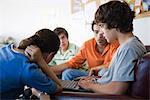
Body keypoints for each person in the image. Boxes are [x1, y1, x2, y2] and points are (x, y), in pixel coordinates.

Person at [78, 1, 147, 94]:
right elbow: (114, 78)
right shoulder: (130, 44)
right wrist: (95, 80)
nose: (101, 32)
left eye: (102, 26)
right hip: (101, 86)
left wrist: (90, 86)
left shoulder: (128, 49)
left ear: (114, 24)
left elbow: (116, 89)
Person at [0, 29, 62, 99]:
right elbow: (59, 86)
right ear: (50, 55)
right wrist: (41, 61)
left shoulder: (7, 48)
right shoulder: (28, 70)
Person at [51, 21, 119, 80]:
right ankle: (69, 93)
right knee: (67, 73)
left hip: (107, 75)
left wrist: (97, 68)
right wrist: (48, 70)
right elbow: (72, 63)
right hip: (90, 74)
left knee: (103, 72)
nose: (99, 36)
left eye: (102, 33)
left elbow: (115, 64)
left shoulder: (114, 44)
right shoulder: (87, 45)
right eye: (96, 32)